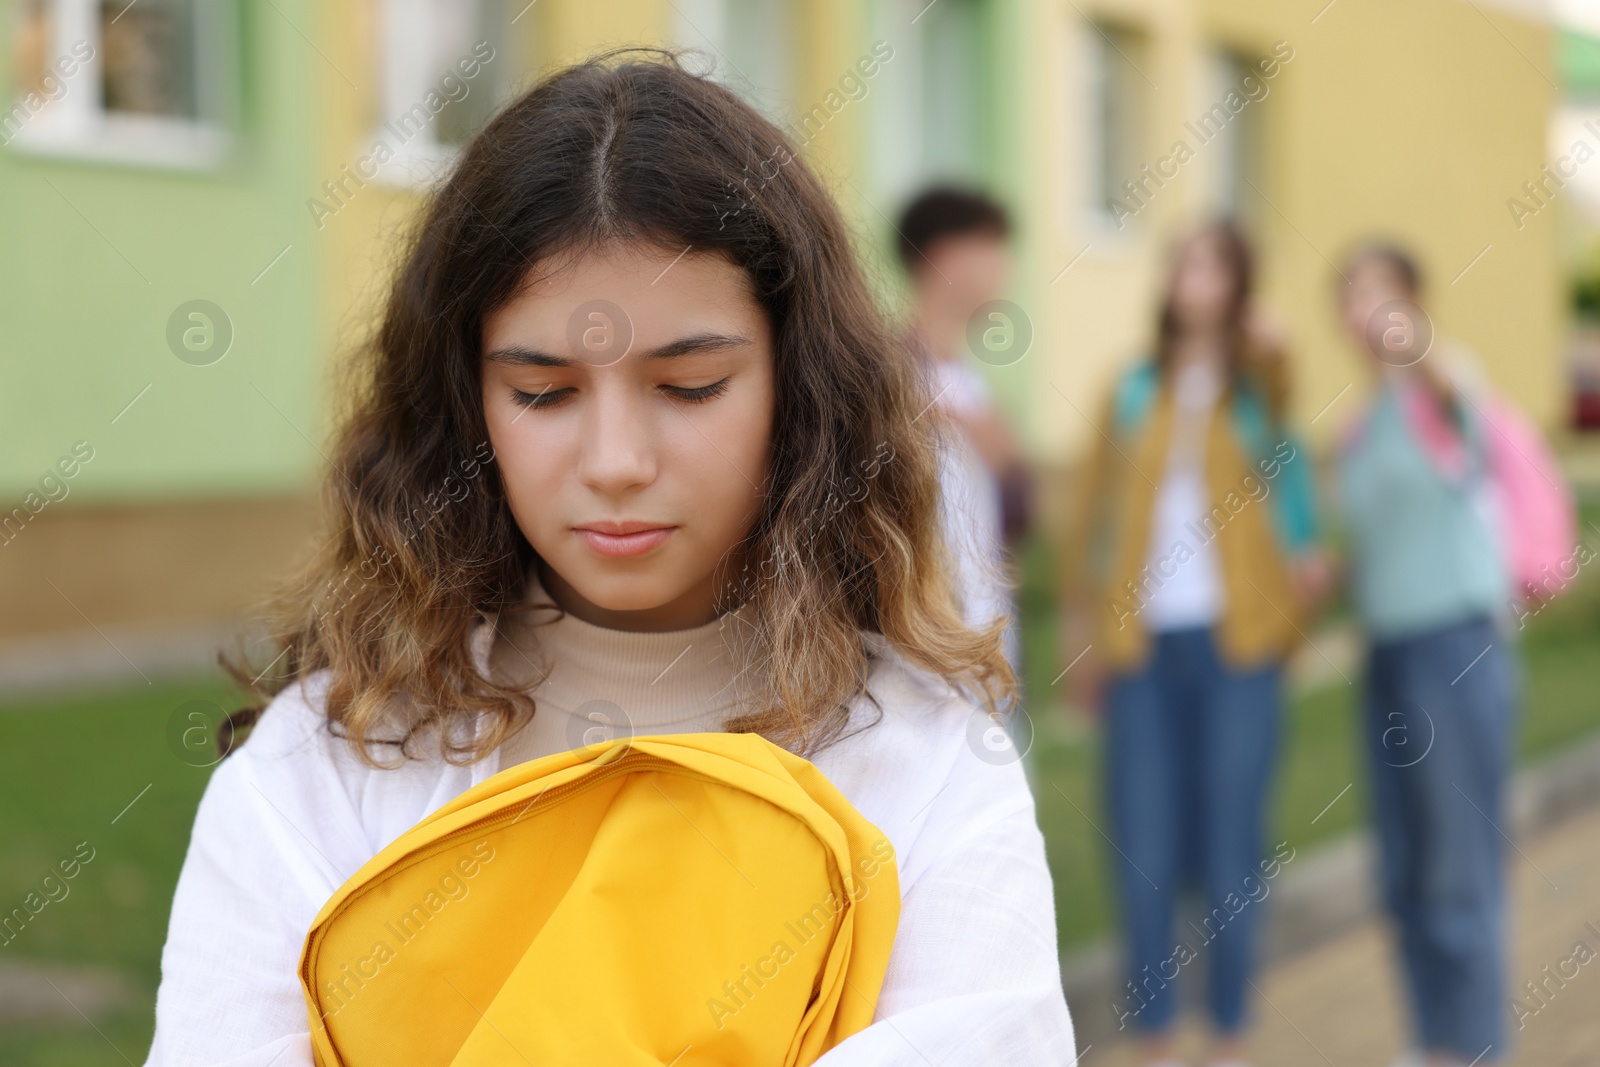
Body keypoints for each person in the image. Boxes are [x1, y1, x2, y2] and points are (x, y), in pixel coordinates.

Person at [142, 53, 1074, 1065]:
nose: (617, 463)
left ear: (798, 391)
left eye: (690, 386)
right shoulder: (320, 767)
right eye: (544, 394)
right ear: (466, 406)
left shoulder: (933, 767)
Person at [1060, 221, 1327, 1067]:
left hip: (1237, 645)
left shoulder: (1258, 387)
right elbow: (1092, 516)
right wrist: (1082, 636)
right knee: (1140, 837)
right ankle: (1157, 1031)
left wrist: (1272, 356)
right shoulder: (1133, 389)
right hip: (1141, 645)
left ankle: (1233, 1026)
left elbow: (1291, 467)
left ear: (1239, 282)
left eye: (1212, 261)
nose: (1191, 275)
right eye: (1183, 260)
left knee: (1231, 835)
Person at [1334, 244, 1520, 1067]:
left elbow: (1443, 379)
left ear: (1413, 300)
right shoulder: (1362, 420)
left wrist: (1408, 338)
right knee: (1405, 874)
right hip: (1387, 654)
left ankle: (1477, 1047)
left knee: (1457, 870)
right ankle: (1433, 1044)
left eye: (1379, 291)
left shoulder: (1443, 386)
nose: (1363, 308)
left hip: (1453, 651)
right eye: (1348, 293)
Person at [895, 188, 1032, 675]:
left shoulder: (974, 387)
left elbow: (1021, 517)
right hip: (920, 648)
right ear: (946, 255)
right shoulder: (889, 378)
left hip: (986, 634)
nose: (1004, 264)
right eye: (991, 246)